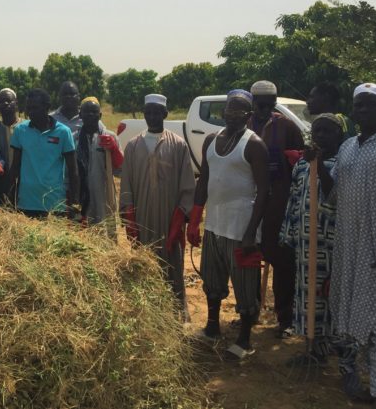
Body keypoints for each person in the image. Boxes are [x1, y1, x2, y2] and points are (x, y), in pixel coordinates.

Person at [279, 114, 368, 402]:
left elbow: (335, 197)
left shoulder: (343, 165)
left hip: (333, 245)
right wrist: (288, 234)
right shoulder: (302, 165)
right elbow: (294, 200)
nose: (320, 136)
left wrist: (321, 169)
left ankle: (345, 361)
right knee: (309, 299)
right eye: (316, 130)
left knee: (334, 300)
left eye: (327, 132)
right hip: (306, 244)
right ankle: (312, 350)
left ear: (339, 136)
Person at [187, 89, 269, 358]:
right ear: (223, 113)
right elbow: (204, 183)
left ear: (249, 115)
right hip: (214, 225)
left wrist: (250, 233)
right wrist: (195, 220)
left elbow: (264, 192)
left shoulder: (254, 144)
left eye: (240, 111)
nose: (233, 115)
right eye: (229, 110)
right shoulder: (211, 140)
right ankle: (212, 327)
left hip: (241, 228)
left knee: (245, 286)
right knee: (211, 279)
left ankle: (245, 340)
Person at [320, 83, 376, 407]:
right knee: (347, 315)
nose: (362, 111)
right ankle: (354, 379)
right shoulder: (347, 148)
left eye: (370, 105)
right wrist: (318, 165)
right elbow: (333, 195)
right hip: (348, 249)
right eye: (358, 105)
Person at [120, 94, 196, 319]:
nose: (152, 116)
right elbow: (126, 187)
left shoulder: (178, 145)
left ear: (165, 113)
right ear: (144, 114)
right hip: (142, 219)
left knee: (173, 266)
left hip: (169, 218)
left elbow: (187, 188)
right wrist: (129, 219)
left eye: (156, 112)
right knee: (145, 267)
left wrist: (179, 220)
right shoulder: (133, 147)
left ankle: (177, 315)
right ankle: (150, 317)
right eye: (148, 112)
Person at [249, 80, 305, 338]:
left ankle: (285, 319)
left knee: (281, 259)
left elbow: (299, 164)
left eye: (267, 103)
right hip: (248, 200)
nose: (262, 107)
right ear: (252, 102)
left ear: (273, 103)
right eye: (258, 102)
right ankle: (249, 311)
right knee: (248, 257)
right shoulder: (244, 125)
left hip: (277, 202)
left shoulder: (286, 126)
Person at [10, 88, 79, 217]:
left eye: (35, 108)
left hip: (55, 204)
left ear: (47, 107)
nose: (30, 112)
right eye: (28, 108)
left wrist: (74, 202)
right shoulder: (20, 131)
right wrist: (10, 199)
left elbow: (73, 170)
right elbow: (15, 167)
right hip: (26, 203)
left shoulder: (63, 132)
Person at [74, 97, 122, 234]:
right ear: (80, 115)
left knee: (107, 237)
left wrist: (113, 149)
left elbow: (120, 171)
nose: (90, 115)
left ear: (100, 115)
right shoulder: (74, 139)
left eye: (94, 112)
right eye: (86, 112)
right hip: (81, 198)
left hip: (104, 198)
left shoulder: (110, 137)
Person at [0, 88, 22, 205]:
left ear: (16, 103)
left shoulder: (27, 127)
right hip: (1, 186)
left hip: (25, 185)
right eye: (2, 102)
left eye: (9, 100)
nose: (5, 104)